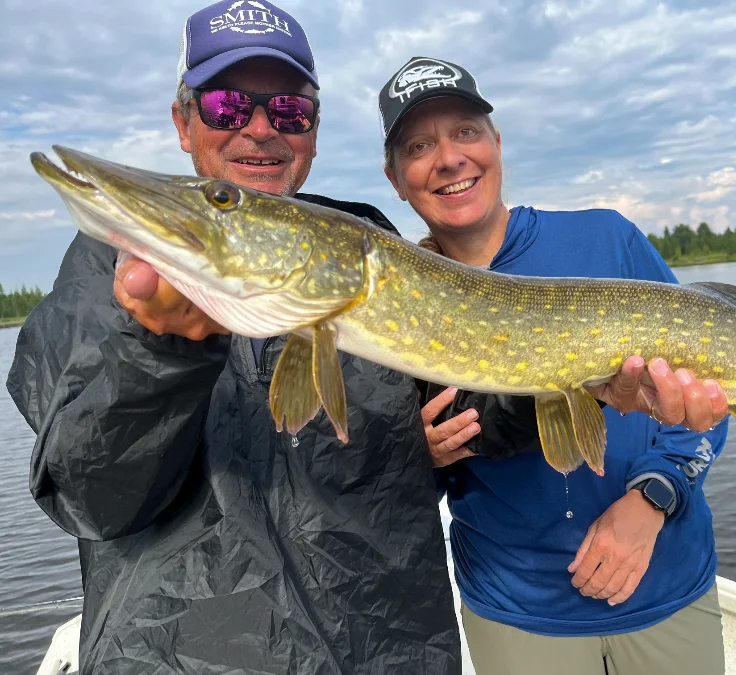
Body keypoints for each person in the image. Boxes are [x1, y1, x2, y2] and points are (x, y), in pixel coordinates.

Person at [6, 7, 463, 674]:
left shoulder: (368, 251)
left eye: (287, 108)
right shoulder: (107, 269)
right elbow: (89, 497)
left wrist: (600, 390)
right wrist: (160, 352)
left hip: (387, 652)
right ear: (183, 121)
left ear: (310, 128)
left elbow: (479, 413)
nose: (258, 128)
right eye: (226, 105)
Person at [378, 56, 732, 675]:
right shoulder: (388, 296)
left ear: (495, 143)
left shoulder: (606, 239)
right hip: (516, 608)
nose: (449, 158)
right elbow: (396, 479)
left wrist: (655, 496)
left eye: (465, 131)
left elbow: (712, 382)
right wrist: (421, 456)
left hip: (665, 581)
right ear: (395, 177)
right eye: (419, 144)